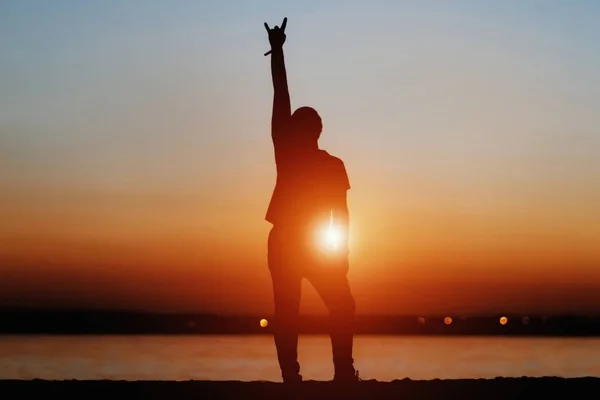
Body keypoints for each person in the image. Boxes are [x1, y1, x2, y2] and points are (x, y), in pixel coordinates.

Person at [263, 17, 359, 384]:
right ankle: (297, 376)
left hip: (314, 245)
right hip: (289, 240)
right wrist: (279, 53)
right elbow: (280, 96)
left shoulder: (332, 165)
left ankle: (340, 372)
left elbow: (342, 214)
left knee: (340, 305)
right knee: (289, 310)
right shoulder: (287, 152)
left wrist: (342, 251)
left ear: (316, 131)